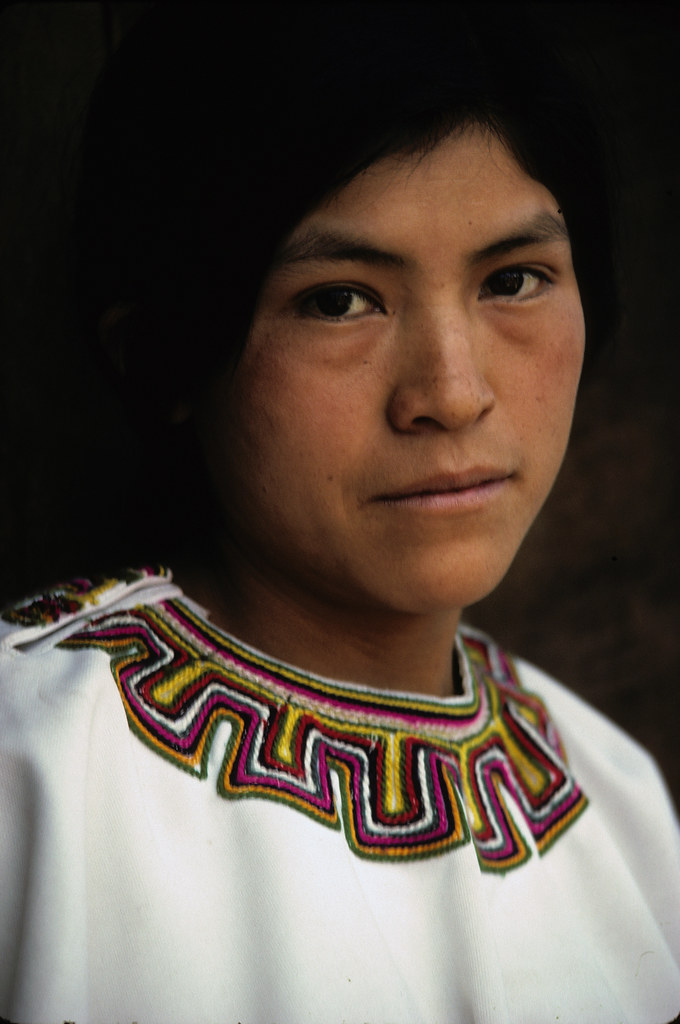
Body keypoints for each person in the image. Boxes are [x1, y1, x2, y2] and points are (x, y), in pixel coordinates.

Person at [1, 4, 679, 1022]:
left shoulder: (613, 800)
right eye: (337, 300)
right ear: (164, 350)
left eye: (513, 279)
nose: (451, 393)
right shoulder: (32, 776)